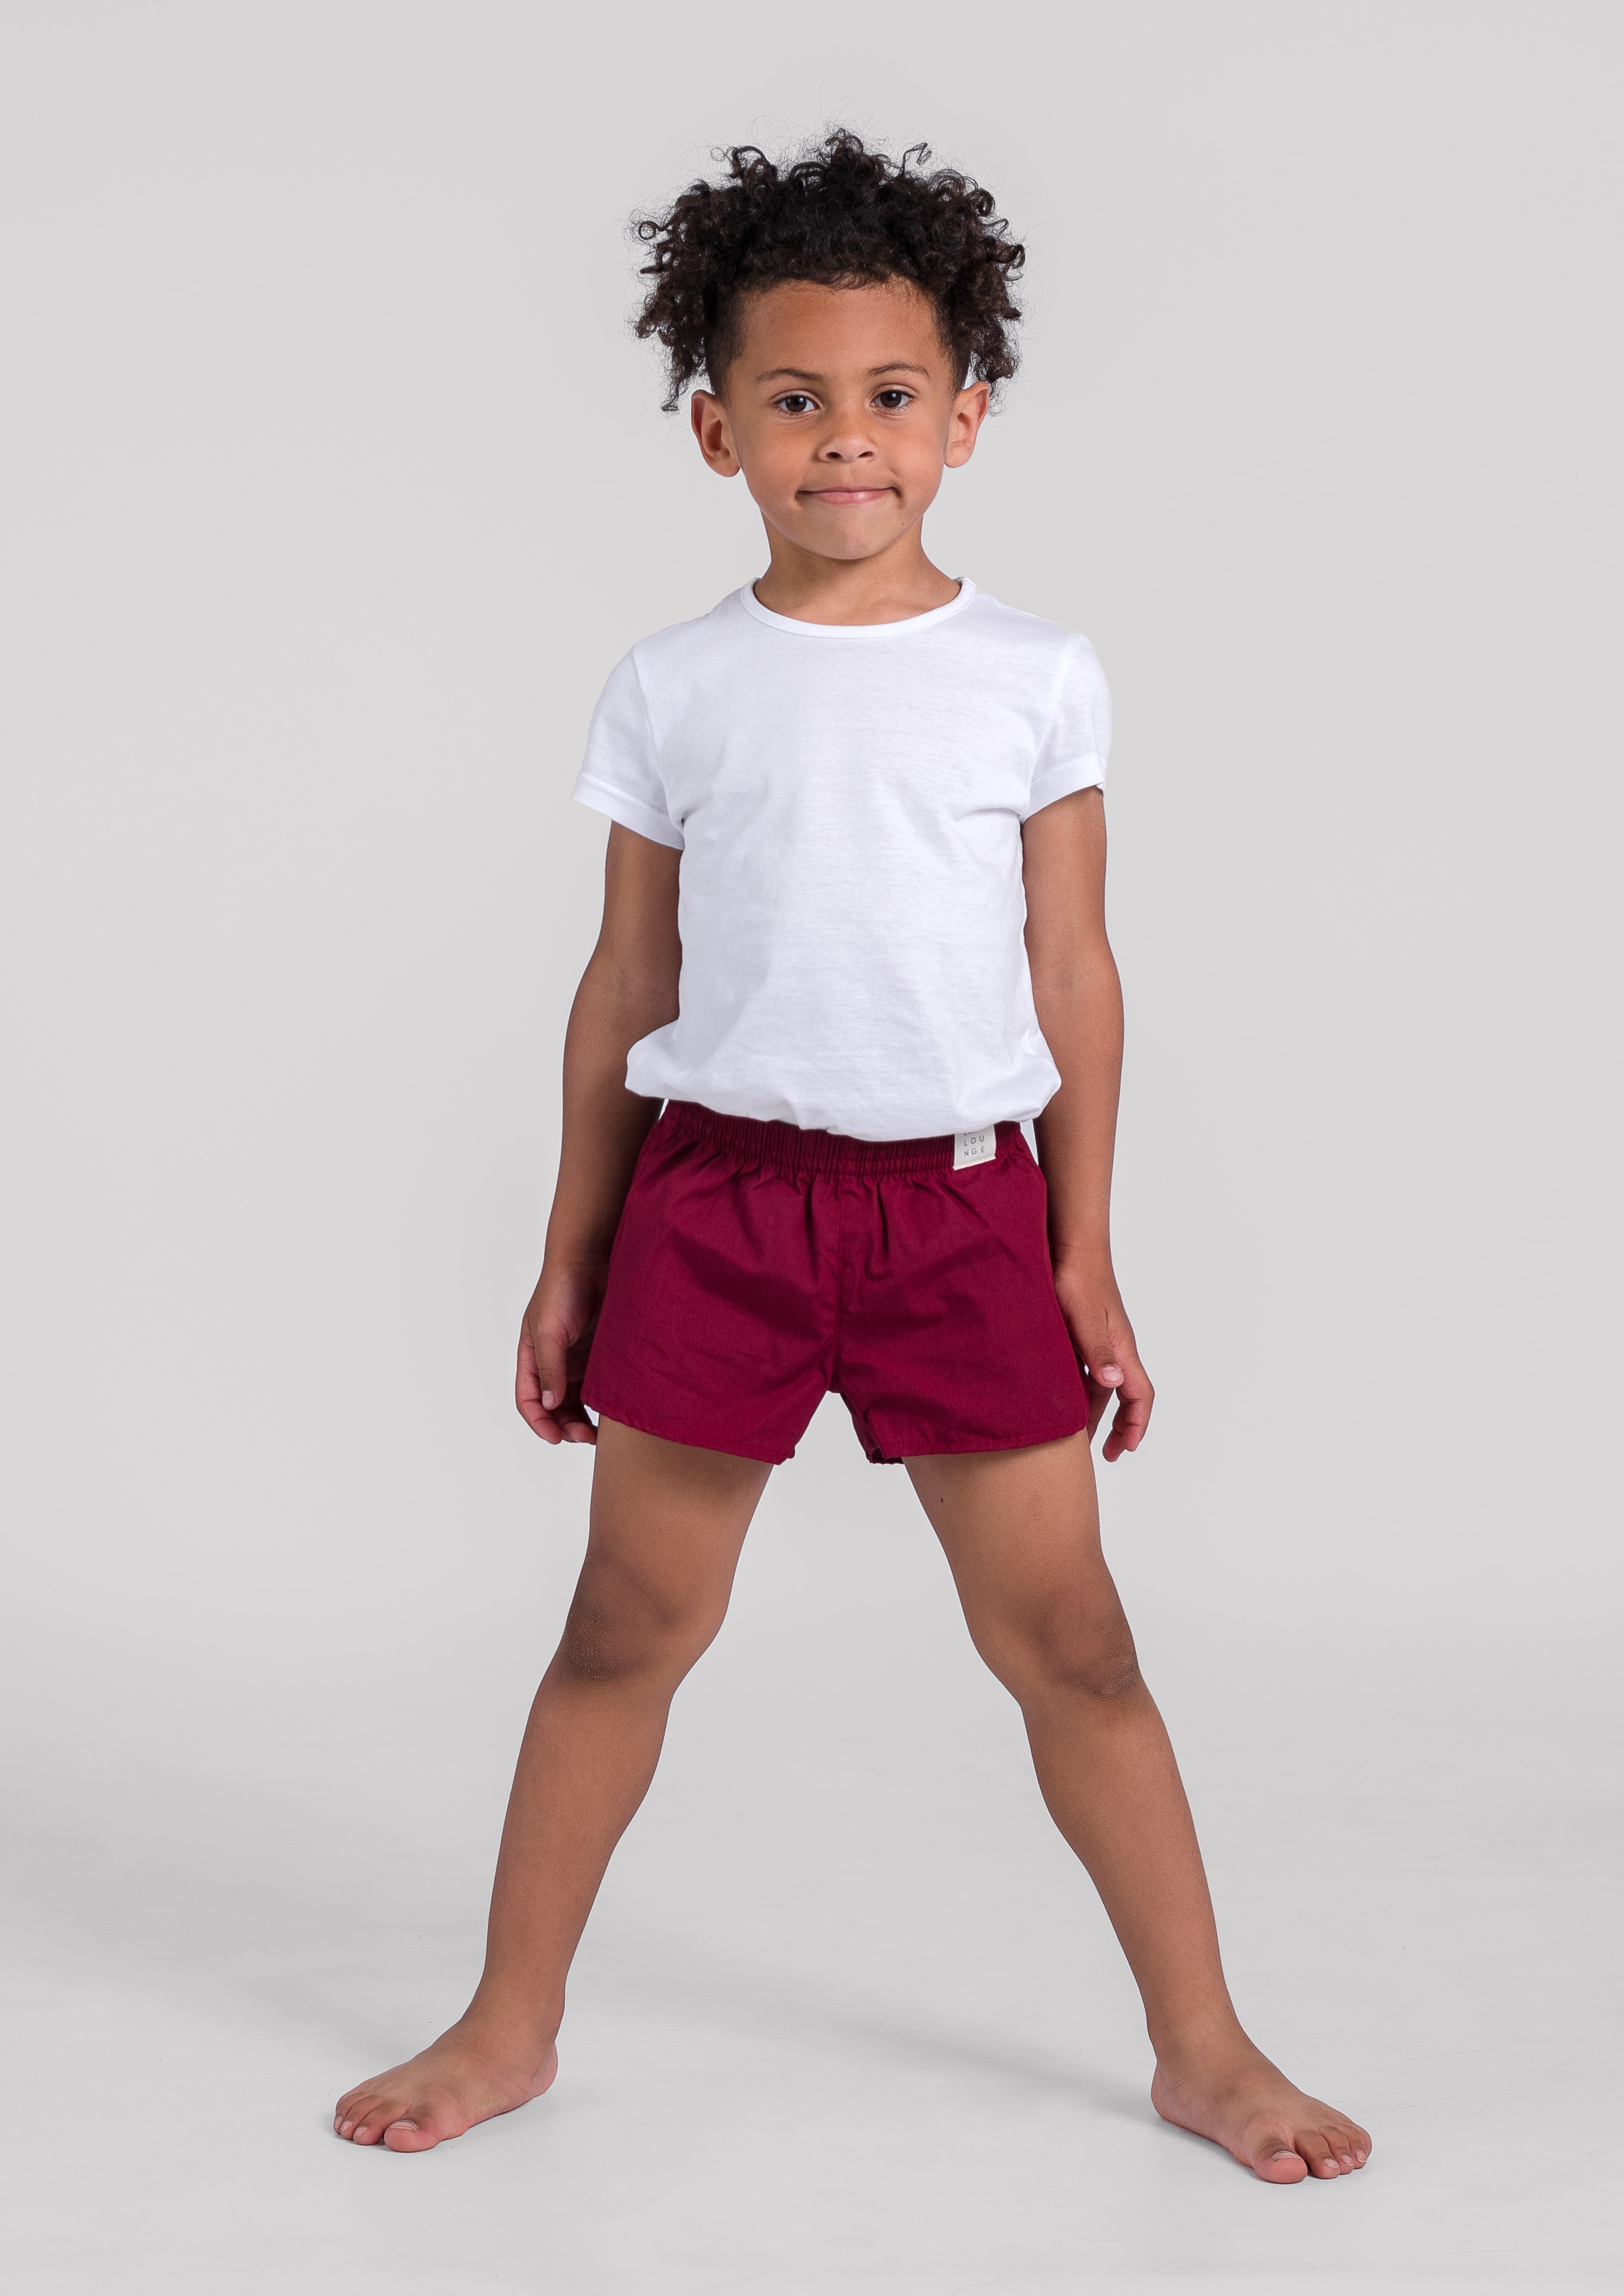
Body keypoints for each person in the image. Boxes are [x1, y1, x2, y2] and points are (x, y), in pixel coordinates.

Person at [334, 131, 1370, 2182]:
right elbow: (623, 981)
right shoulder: (675, 686)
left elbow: (1072, 976)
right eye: (792, 398)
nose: (843, 439)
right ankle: (508, 2020)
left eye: (889, 395)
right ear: (714, 429)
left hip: (960, 1209)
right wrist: (572, 1250)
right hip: (715, 1206)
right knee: (624, 1626)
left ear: (961, 419)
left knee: (1071, 1645)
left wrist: (1082, 1247)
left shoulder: (1032, 678)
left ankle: (1204, 2047)